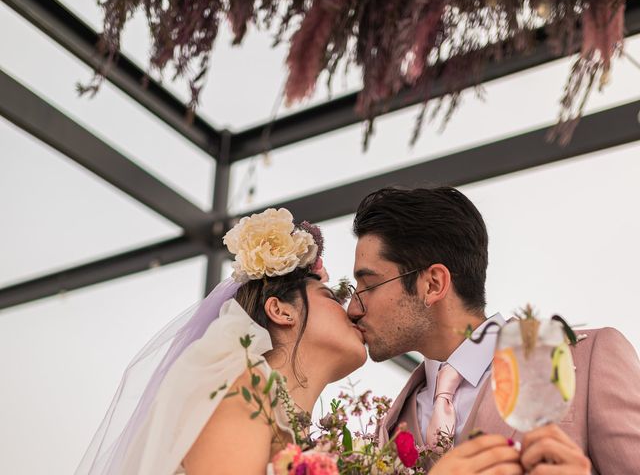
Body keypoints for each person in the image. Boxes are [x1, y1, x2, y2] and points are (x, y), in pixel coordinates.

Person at [348, 186, 640, 474]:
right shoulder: (385, 431)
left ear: (433, 284)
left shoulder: (589, 359)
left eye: (369, 285)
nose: (353, 309)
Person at [75, 208, 367, 475]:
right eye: (330, 297)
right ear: (280, 311)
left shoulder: (305, 441)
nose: (353, 310)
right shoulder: (244, 391)